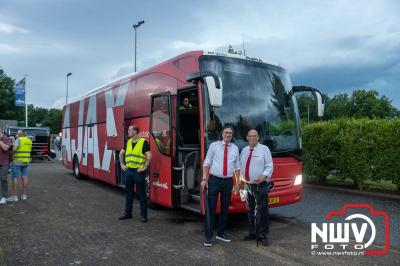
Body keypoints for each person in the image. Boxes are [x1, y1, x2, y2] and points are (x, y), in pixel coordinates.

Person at [201, 125, 240, 247]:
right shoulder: (214, 146)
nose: (228, 134)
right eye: (226, 132)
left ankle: (221, 232)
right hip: (214, 180)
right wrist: (204, 179)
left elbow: (237, 167)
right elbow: (207, 162)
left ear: (232, 135)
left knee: (225, 208)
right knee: (211, 208)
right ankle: (208, 235)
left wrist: (238, 182)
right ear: (222, 134)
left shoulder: (235, 148)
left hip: (228, 181)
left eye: (230, 133)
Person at [239, 129, 273, 246]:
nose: (252, 137)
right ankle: (252, 232)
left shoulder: (264, 149)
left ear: (258, 137)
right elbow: (241, 166)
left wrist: (263, 177)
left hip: (260, 185)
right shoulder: (244, 150)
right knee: (250, 210)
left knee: (262, 211)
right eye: (250, 136)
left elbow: (269, 166)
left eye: (255, 135)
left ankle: (263, 235)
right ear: (247, 138)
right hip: (247, 185)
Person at [118, 125, 152, 223]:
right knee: (128, 194)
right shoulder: (128, 142)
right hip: (129, 171)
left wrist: (145, 167)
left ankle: (143, 216)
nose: (128, 131)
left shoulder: (143, 142)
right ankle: (128, 213)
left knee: (141, 195)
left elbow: (149, 156)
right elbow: (121, 153)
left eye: (130, 130)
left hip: (138, 172)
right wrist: (122, 164)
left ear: (135, 131)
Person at [9, 129, 32, 201]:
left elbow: (15, 149)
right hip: (25, 161)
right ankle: (24, 195)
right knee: (25, 177)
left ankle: (15, 196)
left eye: (17, 133)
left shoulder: (18, 140)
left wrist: (12, 155)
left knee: (14, 178)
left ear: (20, 134)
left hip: (17, 161)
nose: (16, 134)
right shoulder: (29, 141)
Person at [0, 126, 11, 204]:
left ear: (2, 130)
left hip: (4, 163)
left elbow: (5, 148)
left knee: (3, 179)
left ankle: (4, 197)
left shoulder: (7, 139)